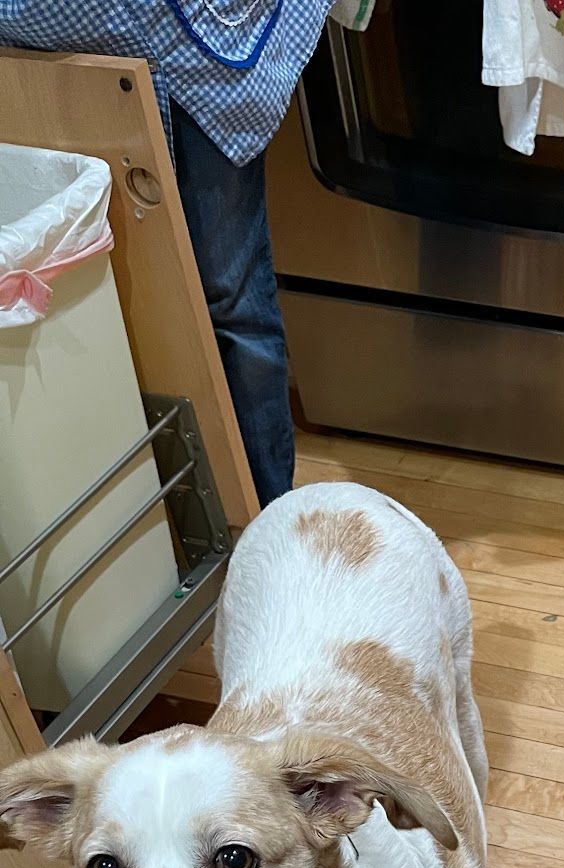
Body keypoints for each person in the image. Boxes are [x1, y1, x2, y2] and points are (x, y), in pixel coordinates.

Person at [2, 2, 369, 507]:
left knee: (230, 301)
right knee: (125, 306)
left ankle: (269, 519)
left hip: (190, 42)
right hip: (52, 39)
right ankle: (179, 528)